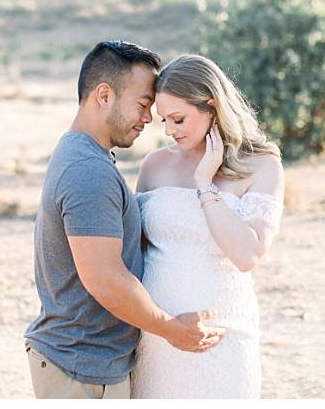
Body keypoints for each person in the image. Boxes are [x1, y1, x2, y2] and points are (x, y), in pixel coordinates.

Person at [23, 41, 226, 399]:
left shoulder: (84, 154)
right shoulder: (89, 170)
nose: (149, 119)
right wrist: (174, 330)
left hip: (84, 362)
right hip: (81, 368)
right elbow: (105, 279)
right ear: (104, 95)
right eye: (143, 105)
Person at [131, 53, 285, 399]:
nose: (170, 131)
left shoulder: (260, 165)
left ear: (211, 106)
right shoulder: (154, 166)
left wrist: (206, 184)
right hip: (158, 338)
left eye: (179, 119)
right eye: (164, 121)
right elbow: (135, 250)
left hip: (223, 335)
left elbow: (247, 255)